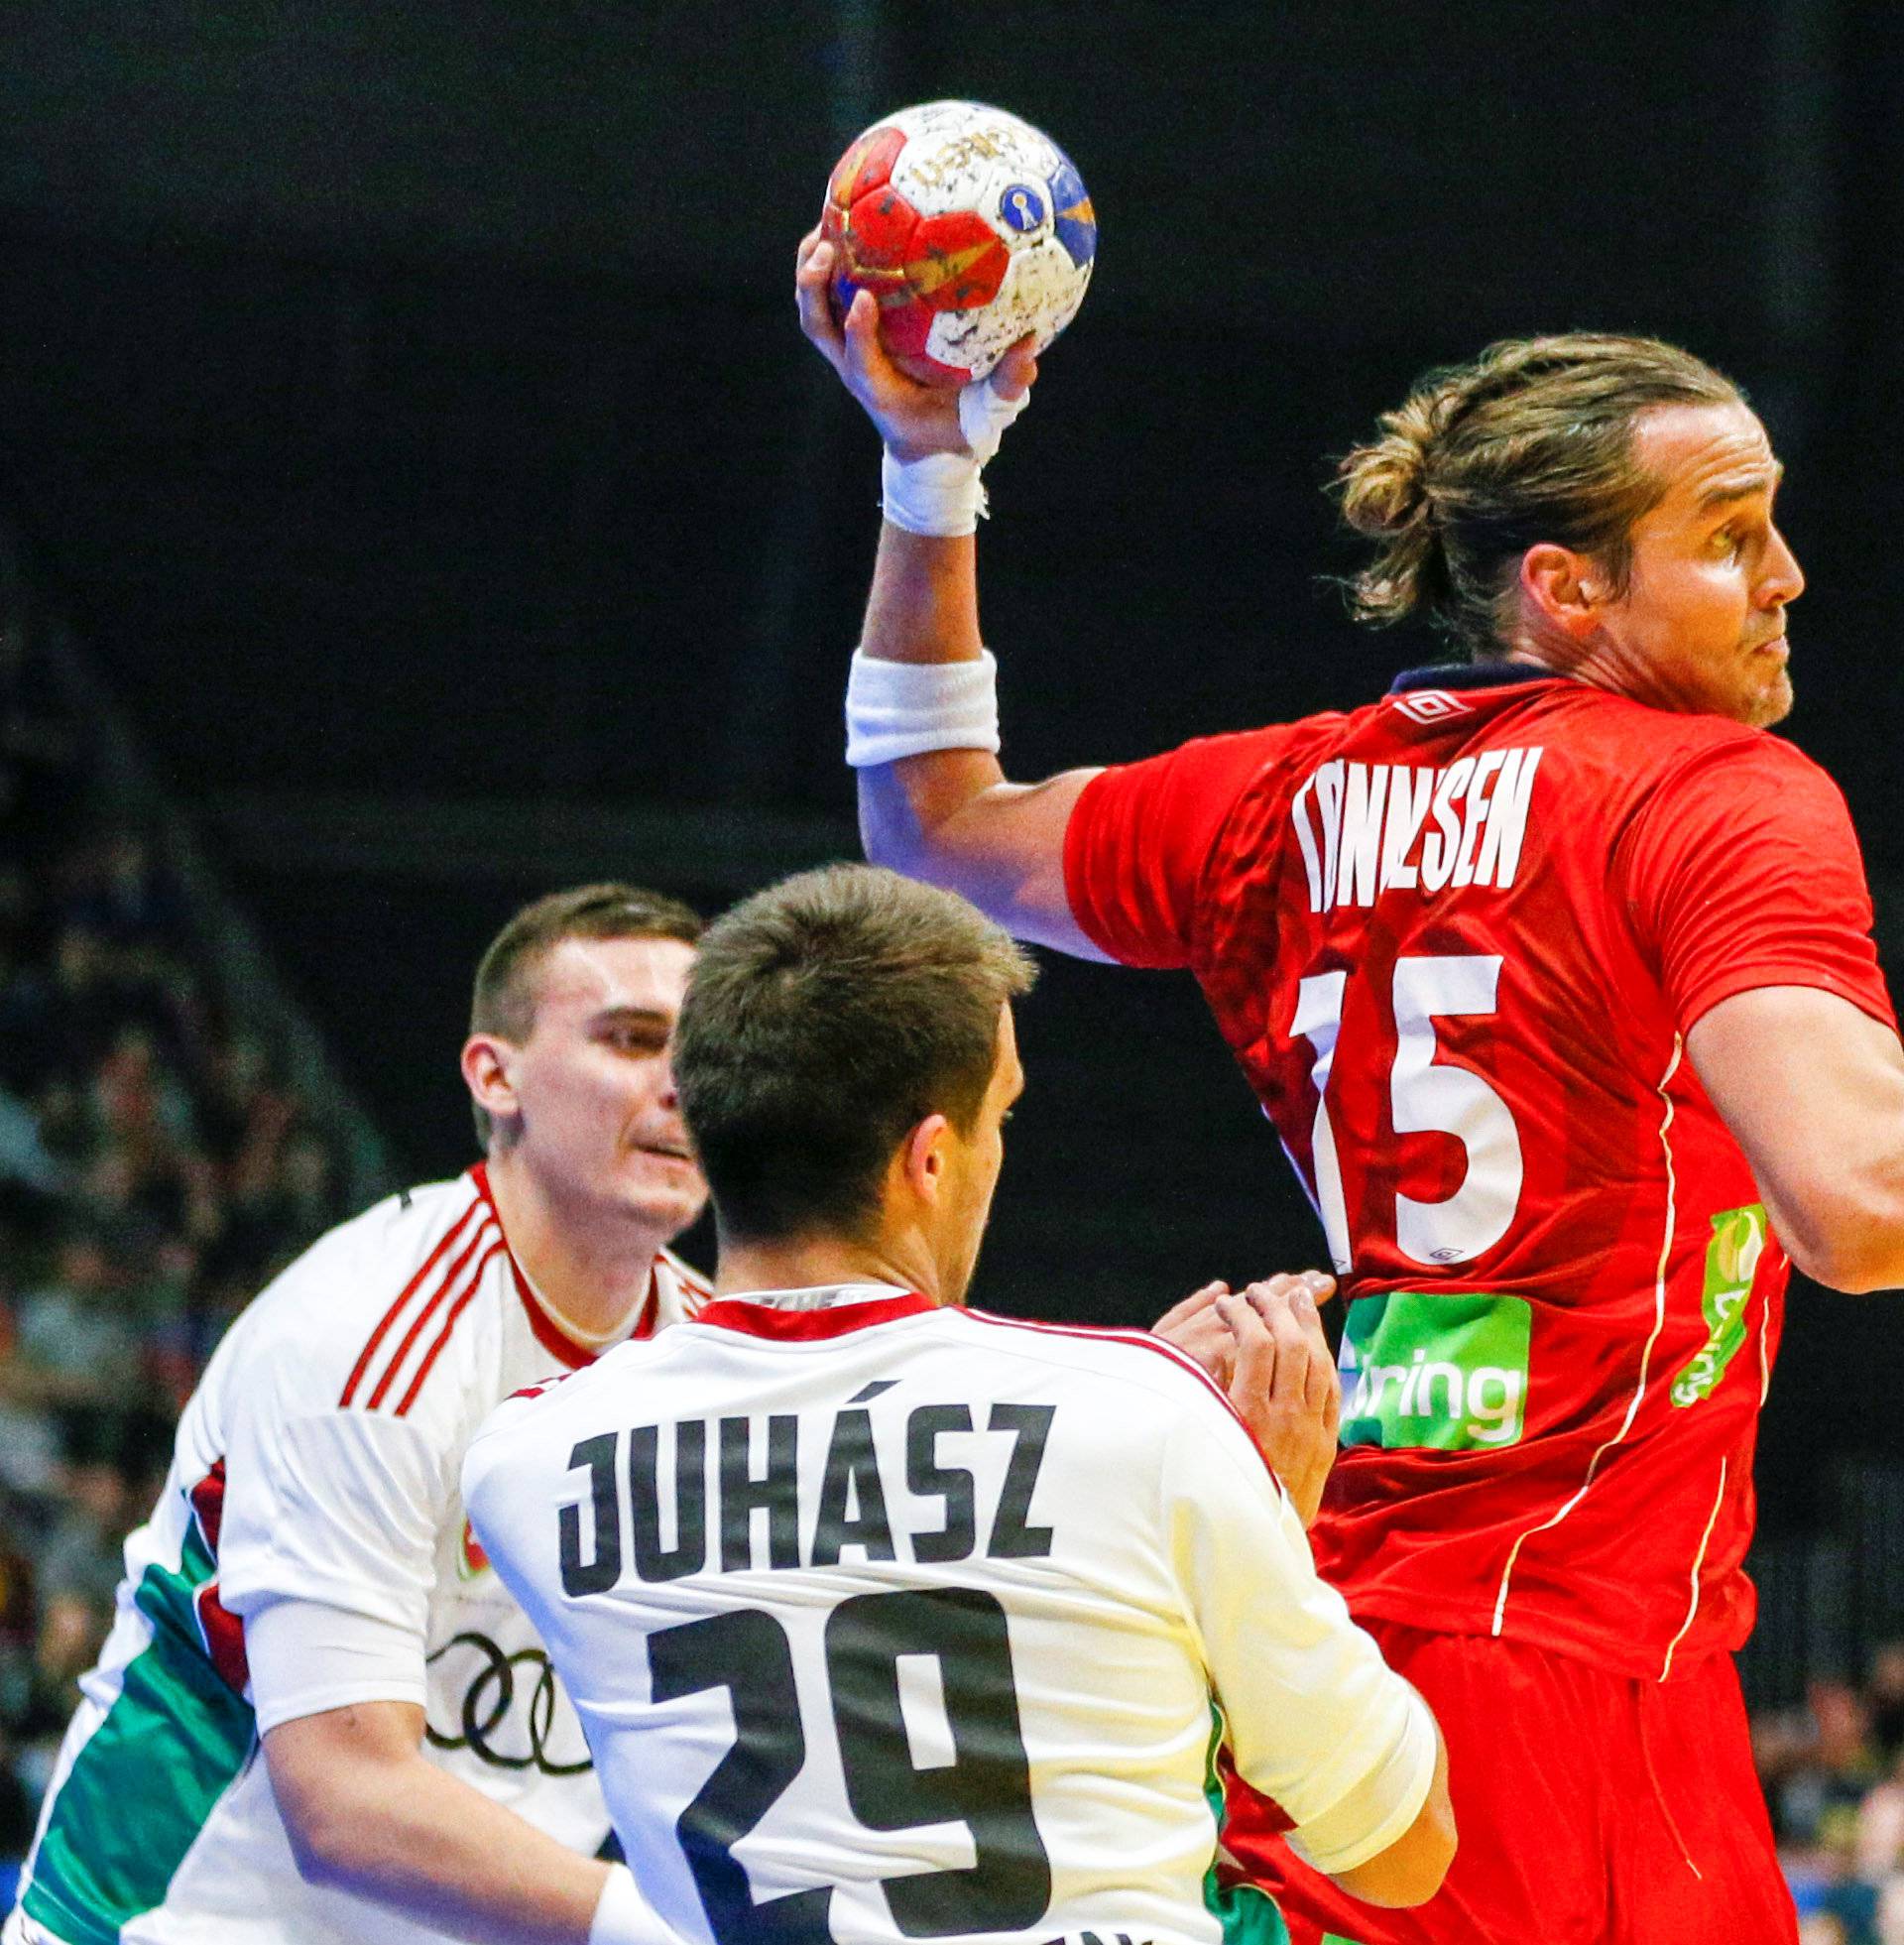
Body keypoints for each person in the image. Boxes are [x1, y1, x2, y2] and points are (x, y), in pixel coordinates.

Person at [795, 232, 1904, 1944]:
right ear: (1568, 589)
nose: (1789, 577)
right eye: (1731, 537)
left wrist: (929, 475)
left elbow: (928, 825)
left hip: (1375, 1614)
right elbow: (1861, 1205)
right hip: (1564, 1660)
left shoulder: (1276, 799)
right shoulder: (1716, 796)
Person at [463, 862, 1456, 1945]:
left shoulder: (527, 1457)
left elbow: (818, 1517)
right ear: (930, 1158)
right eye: (1002, 1115)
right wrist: (1256, 1509)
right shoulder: (1147, 1420)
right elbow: (1401, 1849)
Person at [5, 885, 713, 1945]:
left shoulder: (719, 1361)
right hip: (179, 1922)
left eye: (703, 1050)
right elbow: (344, 1798)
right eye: (632, 1039)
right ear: (496, 1072)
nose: (679, 1086)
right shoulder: (364, 1338)